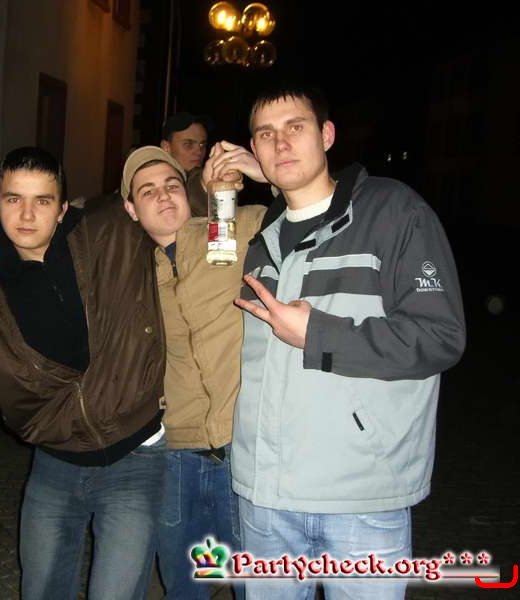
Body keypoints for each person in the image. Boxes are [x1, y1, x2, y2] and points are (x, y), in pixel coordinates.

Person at [226, 82, 466, 599]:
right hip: (264, 498)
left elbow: (440, 337)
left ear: (327, 135)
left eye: (296, 127)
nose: (281, 142)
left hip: (361, 500)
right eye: (265, 134)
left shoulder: (392, 212)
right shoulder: (262, 236)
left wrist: (318, 333)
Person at [0, 147, 168, 600]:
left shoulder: (110, 231)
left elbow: (177, 208)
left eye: (42, 201)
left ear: (63, 208)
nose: (26, 215)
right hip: (54, 462)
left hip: (136, 455)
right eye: (13, 199)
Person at [121, 146, 265, 599]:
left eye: (171, 185)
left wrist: (260, 175)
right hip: (177, 453)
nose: (163, 196)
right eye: (148, 191)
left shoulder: (221, 235)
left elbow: (304, 212)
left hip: (243, 446)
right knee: (184, 583)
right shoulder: (130, 271)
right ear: (131, 209)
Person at [160, 112, 212, 217]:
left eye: (202, 145)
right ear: (166, 147)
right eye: (188, 144)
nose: (199, 151)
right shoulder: (149, 180)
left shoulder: (201, 176)